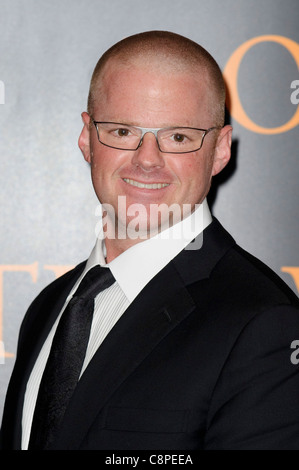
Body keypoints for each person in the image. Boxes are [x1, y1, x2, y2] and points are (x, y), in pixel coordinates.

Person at [1, 30, 299, 451]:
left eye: (178, 137)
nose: (147, 159)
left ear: (219, 151)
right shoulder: (51, 307)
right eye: (123, 131)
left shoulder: (263, 324)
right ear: (88, 138)